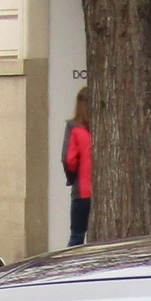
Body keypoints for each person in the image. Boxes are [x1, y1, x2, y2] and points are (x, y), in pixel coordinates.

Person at [63, 87, 94, 246]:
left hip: (82, 191)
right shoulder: (103, 127)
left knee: (77, 236)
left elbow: (69, 160)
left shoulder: (74, 127)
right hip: (101, 191)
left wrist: (71, 178)